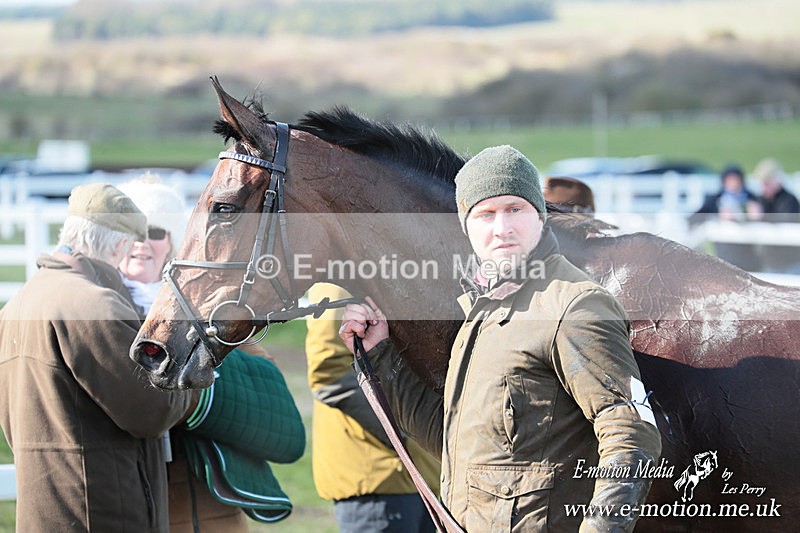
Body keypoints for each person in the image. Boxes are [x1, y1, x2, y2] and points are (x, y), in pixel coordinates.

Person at [339, 146, 662, 531]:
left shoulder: (574, 305)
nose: (502, 228)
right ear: (466, 226)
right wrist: (379, 355)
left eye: (515, 209)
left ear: (540, 215)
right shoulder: (480, 310)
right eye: (486, 214)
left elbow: (630, 432)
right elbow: (454, 444)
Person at [0, 183, 196, 532]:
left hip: (45, 513)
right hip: (102, 513)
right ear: (120, 243)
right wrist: (192, 376)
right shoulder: (95, 306)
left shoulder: (18, 303)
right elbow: (154, 411)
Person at [118, 175, 305, 531]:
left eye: (155, 232)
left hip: (215, 514)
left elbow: (276, 415)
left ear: (173, 242)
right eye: (131, 232)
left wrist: (202, 389)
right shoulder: (103, 312)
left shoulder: (208, 315)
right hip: (140, 511)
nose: (142, 243)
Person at [305, 282, 440, 533]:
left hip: (425, 476)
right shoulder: (336, 283)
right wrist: (409, 435)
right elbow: (330, 375)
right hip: (378, 481)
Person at [689, 164, 763, 271]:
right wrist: (717, 216)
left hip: (746, 251)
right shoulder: (716, 199)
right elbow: (697, 216)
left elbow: (765, 216)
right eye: (730, 180)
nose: (733, 184)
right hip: (724, 251)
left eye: (736, 180)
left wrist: (757, 215)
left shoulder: (751, 198)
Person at [752, 158, 800, 273]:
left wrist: (761, 217)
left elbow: (784, 222)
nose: (764, 187)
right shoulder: (762, 200)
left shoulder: (789, 200)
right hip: (769, 262)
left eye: (767, 183)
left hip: (790, 263)